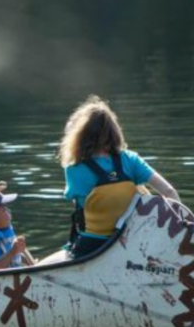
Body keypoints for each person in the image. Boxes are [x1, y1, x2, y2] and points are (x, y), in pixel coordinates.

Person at [59, 95, 179, 258]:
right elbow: (170, 192)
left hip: (94, 247)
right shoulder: (131, 159)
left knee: (63, 253)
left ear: (79, 136)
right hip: (137, 243)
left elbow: (80, 206)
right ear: (114, 131)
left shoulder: (73, 169)